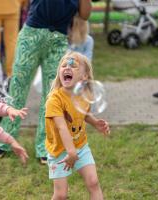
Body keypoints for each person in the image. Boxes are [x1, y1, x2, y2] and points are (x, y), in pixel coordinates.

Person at [0, 0, 92, 164]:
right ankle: (5, 141)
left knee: (52, 95)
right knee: (18, 89)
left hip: (58, 39)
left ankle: (45, 146)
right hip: (31, 35)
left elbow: (84, 14)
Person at [45, 52, 110, 199]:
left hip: (80, 146)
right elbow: (61, 127)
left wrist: (95, 123)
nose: (67, 68)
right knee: (61, 194)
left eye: (73, 66)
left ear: (84, 76)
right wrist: (71, 152)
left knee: (93, 182)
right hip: (59, 151)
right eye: (63, 65)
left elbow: (83, 113)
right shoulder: (54, 100)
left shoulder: (83, 94)